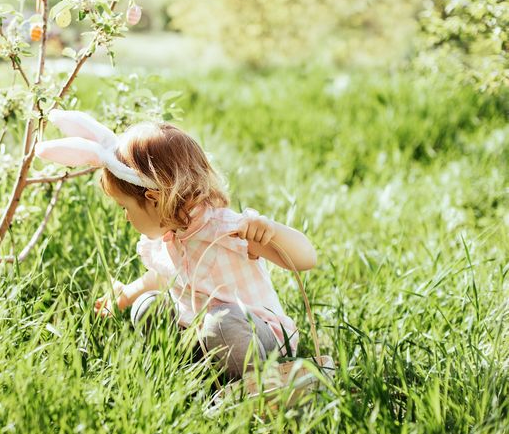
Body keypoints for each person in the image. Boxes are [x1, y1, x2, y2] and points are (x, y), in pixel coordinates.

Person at [35, 109, 318, 384]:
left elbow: (306, 258)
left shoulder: (227, 229)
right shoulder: (168, 236)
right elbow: (164, 276)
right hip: (202, 332)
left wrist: (272, 232)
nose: (124, 216)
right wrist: (126, 295)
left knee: (219, 323)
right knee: (148, 305)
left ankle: (251, 383)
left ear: (154, 198)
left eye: (125, 207)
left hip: (255, 337)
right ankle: (194, 370)